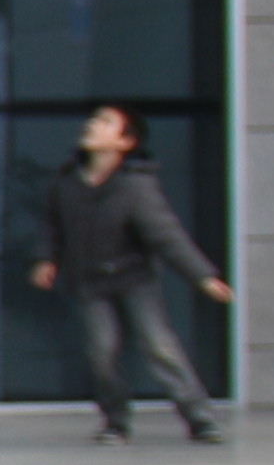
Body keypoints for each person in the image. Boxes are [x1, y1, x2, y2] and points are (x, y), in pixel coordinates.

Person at [32, 102, 232, 442]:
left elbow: (167, 236)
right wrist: (46, 259)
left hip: (134, 280)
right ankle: (115, 420)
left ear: (125, 141)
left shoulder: (136, 186)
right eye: (94, 120)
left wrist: (203, 276)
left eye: (105, 122)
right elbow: (51, 226)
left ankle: (199, 417)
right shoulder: (66, 182)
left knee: (159, 347)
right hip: (89, 283)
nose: (93, 125)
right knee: (102, 352)